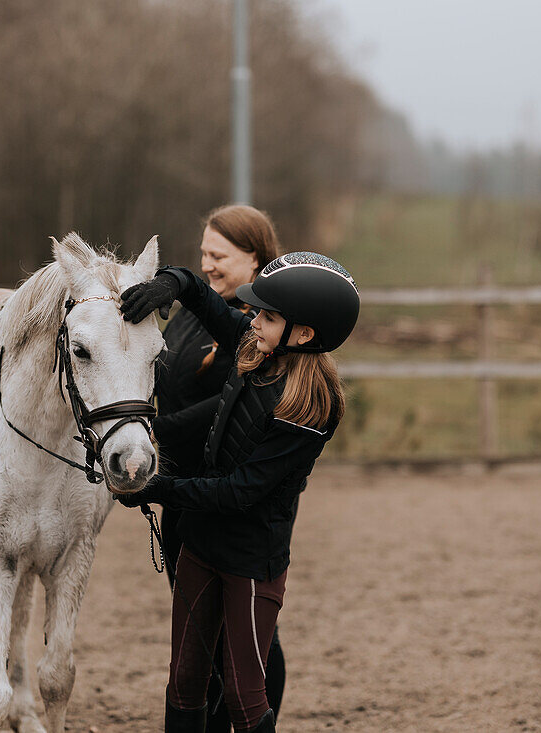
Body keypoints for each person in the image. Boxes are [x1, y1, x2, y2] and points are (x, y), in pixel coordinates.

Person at [118, 251, 360, 733]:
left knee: (246, 695)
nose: (252, 321)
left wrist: (157, 487)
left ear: (304, 334)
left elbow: (239, 492)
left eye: (268, 316)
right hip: (200, 547)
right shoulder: (257, 348)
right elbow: (209, 303)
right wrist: (174, 283)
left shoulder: (308, 408)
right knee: (183, 683)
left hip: (250, 564)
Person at [151, 204, 282, 732]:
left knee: (246, 640)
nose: (207, 263)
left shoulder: (261, 329)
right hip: (179, 488)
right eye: (202, 252)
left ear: (255, 260)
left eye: (219, 255)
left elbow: (227, 406)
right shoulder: (194, 315)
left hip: (226, 491)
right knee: (195, 629)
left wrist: (155, 433)